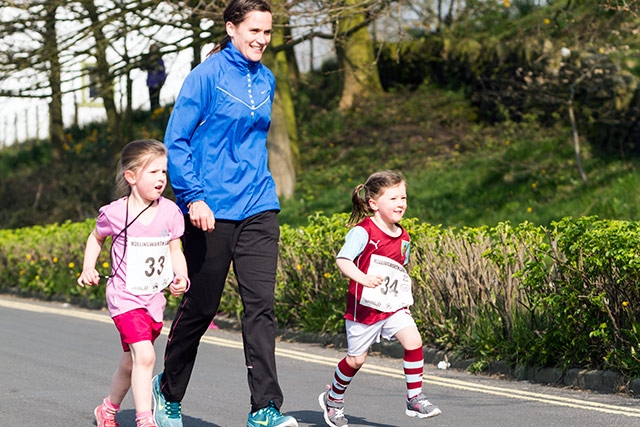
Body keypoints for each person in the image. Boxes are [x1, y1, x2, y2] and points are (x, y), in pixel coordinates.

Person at [151, 1, 297, 426]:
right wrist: (193, 197)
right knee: (201, 307)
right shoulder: (205, 77)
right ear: (232, 28)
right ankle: (168, 389)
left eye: (267, 32)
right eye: (254, 30)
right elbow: (175, 140)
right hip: (209, 210)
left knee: (261, 308)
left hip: (258, 205)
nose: (261, 39)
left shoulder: (267, 79)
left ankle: (265, 408)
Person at [77, 139, 190, 427]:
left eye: (164, 172)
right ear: (131, 177)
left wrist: (181, 277)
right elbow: (96, 237)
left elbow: (175, 249)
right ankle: (145, 419)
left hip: (153, 301)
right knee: (146, 355)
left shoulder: (170, 212)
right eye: (153, 172)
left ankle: (107, 409)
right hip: (124, 298)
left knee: (132, 361)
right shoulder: (115, 212)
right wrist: (88, 267)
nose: (161, 179)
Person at [318, 170, 442, 427]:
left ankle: (415, 398)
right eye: (393, 198)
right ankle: (334, 399)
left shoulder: (404, 236)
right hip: (364, 308)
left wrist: (402, 292)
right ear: (374, 204)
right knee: (356, 360)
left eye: (403, 197)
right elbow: (343, 260)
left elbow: (399, 268)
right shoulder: (363, 232)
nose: (401, 204)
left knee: (413, 341)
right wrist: (363, 278)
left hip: (393, 306)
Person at [143, 44, 166, 110]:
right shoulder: (148, 60)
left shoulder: (159, 60)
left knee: (156, 99)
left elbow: (162, 70)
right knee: (152, 100)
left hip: (158, 81)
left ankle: (157, 112)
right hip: (151, 82)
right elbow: (144, 67)